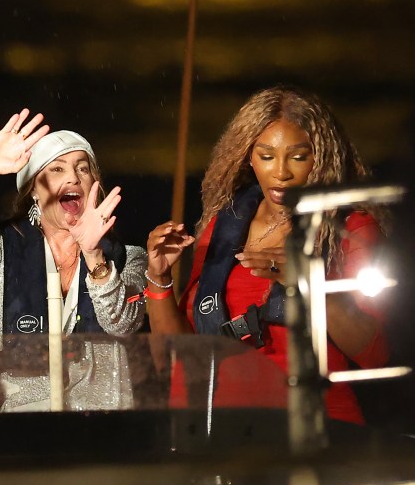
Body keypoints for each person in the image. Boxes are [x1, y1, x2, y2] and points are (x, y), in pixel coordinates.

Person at [145, 86, 389, 423]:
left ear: (320, 157)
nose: (281, 172)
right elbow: (181, 357)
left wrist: (309, 281)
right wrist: (158, 278)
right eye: (267, 155)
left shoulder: (353, 228)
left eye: (298, 156)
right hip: (224, 425)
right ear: (248, 156)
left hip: (317, 422)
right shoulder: (223, 225)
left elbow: (375, 353)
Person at [0, 111, 147, 411]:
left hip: (101, 427)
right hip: (22, 424)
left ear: (95, 185)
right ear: (34, 191)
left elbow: (122, 324)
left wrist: (93, 255)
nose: (73, 176)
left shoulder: (129, 259)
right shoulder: (3, 256)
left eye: (83, 168)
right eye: (56, 169)